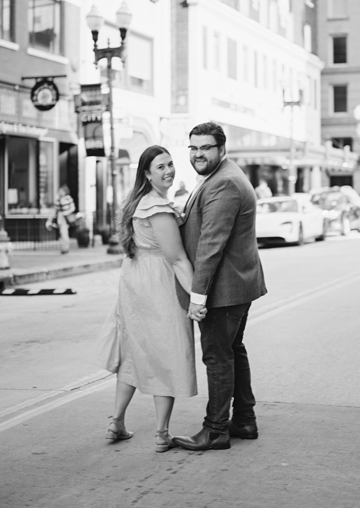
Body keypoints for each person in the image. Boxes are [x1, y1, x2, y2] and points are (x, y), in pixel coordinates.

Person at [94, 146, 197, 453]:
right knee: (167, 353)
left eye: (170, 165)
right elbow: (177, 259)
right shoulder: (157, 208)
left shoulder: (137, 203)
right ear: (147, 174)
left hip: (134, 282)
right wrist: (198, 297)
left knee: (133, 354)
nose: (169, 171)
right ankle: (162, 433)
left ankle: (117, 421)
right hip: (157, 285)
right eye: (161, 167)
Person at [172, 122, 267, 451]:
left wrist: (197, 298)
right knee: (232, 351)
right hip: (238, 284)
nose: (198, 154)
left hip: (224, 290)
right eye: (193, 148)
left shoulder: (224, 183)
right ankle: (244, 419)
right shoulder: (219, 177)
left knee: (217, 357)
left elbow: (210, 246)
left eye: (206, 148)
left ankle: (215, 430)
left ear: (221, 149)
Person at [55, 185, 77, 254]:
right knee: (62, 233)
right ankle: (64, 247)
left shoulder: (68, 198)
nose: (60, 192)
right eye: (59, 191)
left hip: (66, 217)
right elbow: (56, 209)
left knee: (64, 232)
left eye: (61, 191)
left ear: (65, 192)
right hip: (60, 218)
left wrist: (66, 213)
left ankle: (65, 248)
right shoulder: (58, 199)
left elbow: (73, 208)